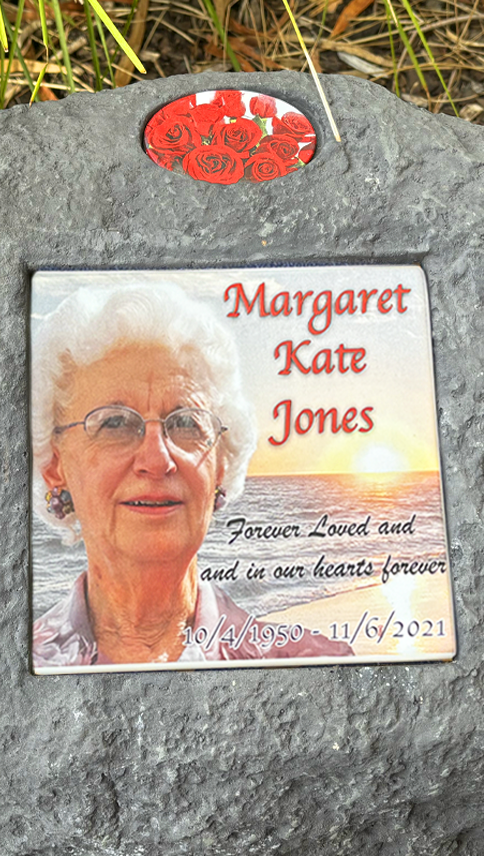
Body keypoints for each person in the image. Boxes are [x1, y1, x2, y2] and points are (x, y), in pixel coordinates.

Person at [30, 284, 352, 668]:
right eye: (114, 423)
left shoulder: (313, 665)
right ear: (54, 465)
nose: (157, 458)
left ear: (220, 465)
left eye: (186, 423)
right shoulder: (8, 672)